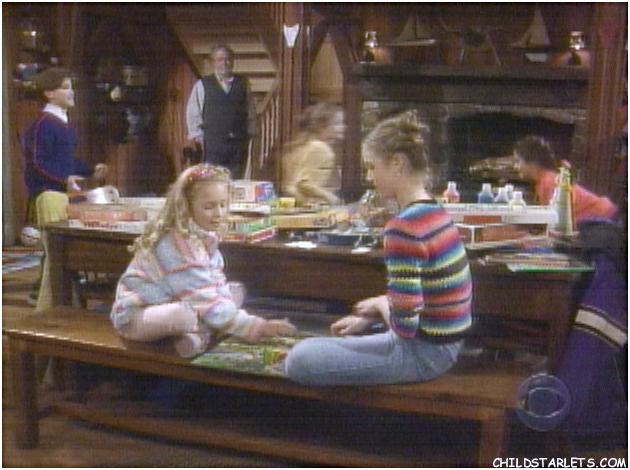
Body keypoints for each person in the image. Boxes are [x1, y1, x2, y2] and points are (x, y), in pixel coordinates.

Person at [284, 111, 473, 386]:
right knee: (338, 336)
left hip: (424, 353)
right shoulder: (435, 211)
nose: (370, 176)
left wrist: (381, 304)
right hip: (446, 346)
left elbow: (405, 327)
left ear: (397, 163)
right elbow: (420, 299)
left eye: (372, 167)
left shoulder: (403, 227)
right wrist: (373, 315)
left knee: (300, 359)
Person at [110, 163, 296, 358]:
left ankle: (199, 335)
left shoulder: (204, 237)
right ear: (186, 207)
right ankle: (203, 331)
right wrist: (257, 326)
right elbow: (201, 297)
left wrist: (225, 308)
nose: (219, 213)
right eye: (209, 207)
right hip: (138, 314)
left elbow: (211, 284)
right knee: (184, 315)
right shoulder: (175, 244)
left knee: (233, 291)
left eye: (223, 205)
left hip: (182, 298)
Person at [20, 67, 108, 306]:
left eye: (71, 87)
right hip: (48, 195)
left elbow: (67, 161)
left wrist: (90, 170)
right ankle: (49, 294)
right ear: (49, 93)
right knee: (56, 246)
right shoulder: (42, 125)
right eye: (65, 88)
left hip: (62, 194)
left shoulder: (63, 124)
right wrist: (63, 180)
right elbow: (38, 162)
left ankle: (51, 290)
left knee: (61, 246)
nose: (72, 92)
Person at [185, 45, 256, 179]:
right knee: (213, 180)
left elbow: (250, 110)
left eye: (228, 59)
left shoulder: (243, 84)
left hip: (238, 144)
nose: (225, 63)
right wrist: (198, 136)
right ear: (213, 63)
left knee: (236, 180)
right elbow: (193, 113)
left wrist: (251, 132)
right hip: (213, 145)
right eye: (220, 59)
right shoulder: (203, 85)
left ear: (233, 61)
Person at [513, 135, 618, 223]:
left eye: (518, 161)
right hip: (601, 217)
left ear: (533, 162)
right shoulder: (545, 180)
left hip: (603, 219)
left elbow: (555, 222)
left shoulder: (548, 182)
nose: (515, 167)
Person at [281, 103, 344, 206]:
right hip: (310, 207)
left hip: (293, 205)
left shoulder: (300, 145)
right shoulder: (321, 149)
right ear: (321, 126)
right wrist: (331, 197)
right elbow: (304, 183)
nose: (342, 128)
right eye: (337, 123)